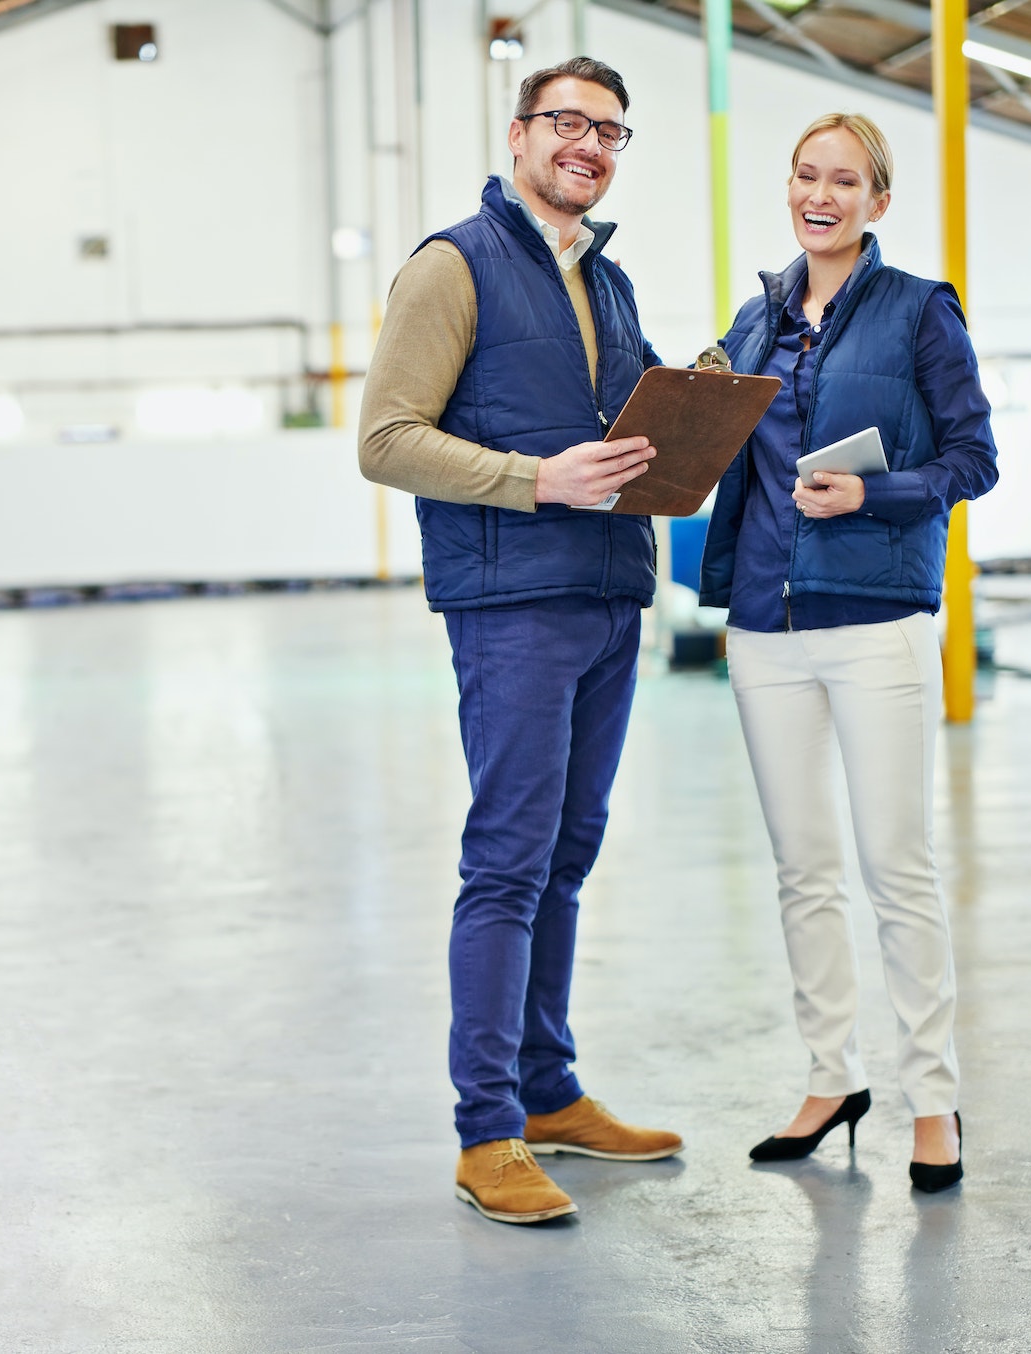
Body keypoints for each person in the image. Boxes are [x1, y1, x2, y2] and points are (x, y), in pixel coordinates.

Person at [358, 57, 685, 1227]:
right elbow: (386, 439)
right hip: (511, 607)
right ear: (517, 134)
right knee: (505, 862)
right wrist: (536, 479)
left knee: (566, 855)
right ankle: (484, 1129)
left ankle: (547, 1093)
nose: (587, 144)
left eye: (609, 129)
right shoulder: (451, 266)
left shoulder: (609, 276)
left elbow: (609, 429)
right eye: (566, 123)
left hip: (606, 594)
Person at [700, 112, 998, 1193]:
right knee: (801, 872)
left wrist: (871, 491)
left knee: (895, 868)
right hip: (762, 628)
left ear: (878, 200)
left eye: (843, 179)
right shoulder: (753, 318)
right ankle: (830, 1077)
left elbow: (974, 457)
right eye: (803, 175)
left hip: (873, 623)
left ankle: (931, 1095)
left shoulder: (919, 311)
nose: (817, 194)